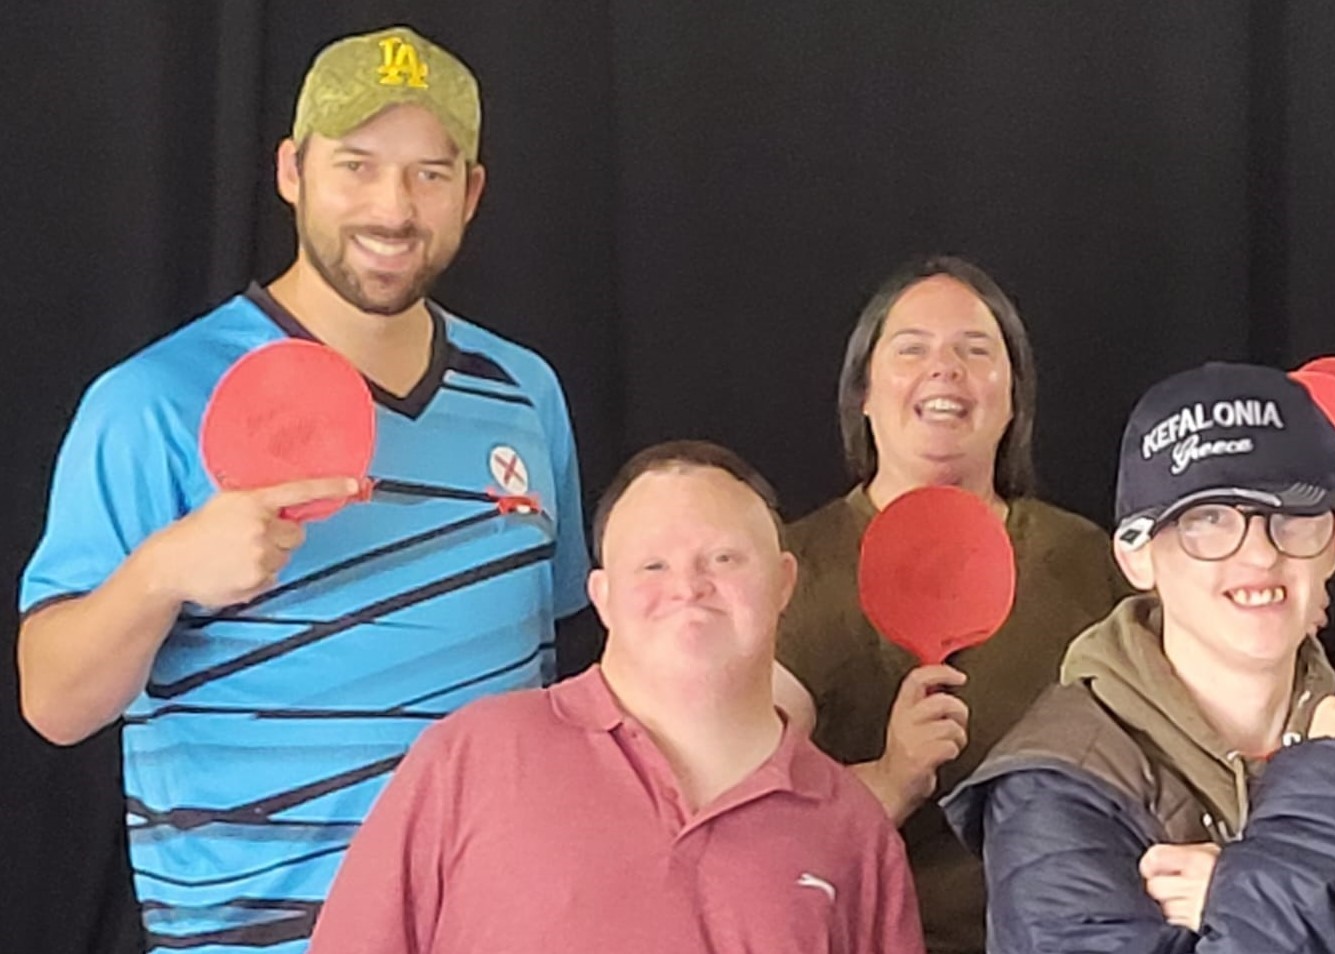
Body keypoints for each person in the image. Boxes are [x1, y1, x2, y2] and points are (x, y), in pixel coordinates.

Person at [16, 26, 589, 953]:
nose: (393, 208)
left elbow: (555, 677)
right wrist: (164, 571)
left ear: (471, 193)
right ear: (292, 171)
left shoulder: (523, 394)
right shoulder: (154, 403)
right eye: (357, 166)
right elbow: (52, 703)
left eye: (429, 174)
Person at [308, 441, 925, 954]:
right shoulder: (470, 758)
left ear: (784, 582)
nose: (688, 586)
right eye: (652, 565)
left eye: (724, 557)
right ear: (600, 596)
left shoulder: (852, 831)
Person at [944, 362, 1335, 953]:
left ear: (1334, 542)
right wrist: (1312, 813)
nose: (1258, 554)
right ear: (1137, 556)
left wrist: (1236, 896)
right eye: (1209, 520)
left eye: (1291, 516)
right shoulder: (1058, 785)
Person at [774, 255, 1130, 953]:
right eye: (911, 349)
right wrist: (890, 779)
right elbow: (746, 829)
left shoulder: (1092, 563)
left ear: (1012, 396)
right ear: (864, 395)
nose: (945, 370)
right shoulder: (786, 569)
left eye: (975, 350)